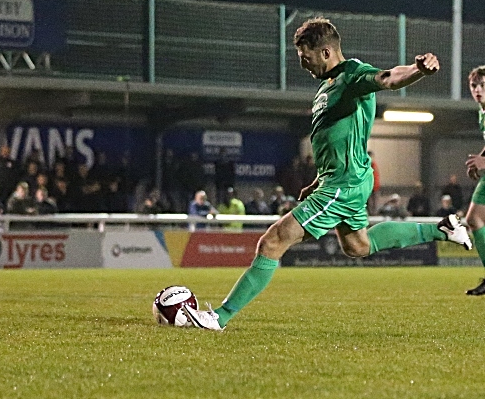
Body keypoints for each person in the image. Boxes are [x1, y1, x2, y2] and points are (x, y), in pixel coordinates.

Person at [181, 17, 470, 330]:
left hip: (344, 185)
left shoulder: (351, 75)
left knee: (273, 242)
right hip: (343, 180)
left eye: (306, 57)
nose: (303, 65)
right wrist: (319, 180)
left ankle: (218, 318)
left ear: (327, 52)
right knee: (357, 245)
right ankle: (442, 229)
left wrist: (417, 71)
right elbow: (335, 139)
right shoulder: (327, 87)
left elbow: (388, 78)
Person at [463, 65, 485, 295]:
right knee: (474, 219)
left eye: (483, 85)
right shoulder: (482, 110)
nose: (478, 90)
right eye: (474, 85)